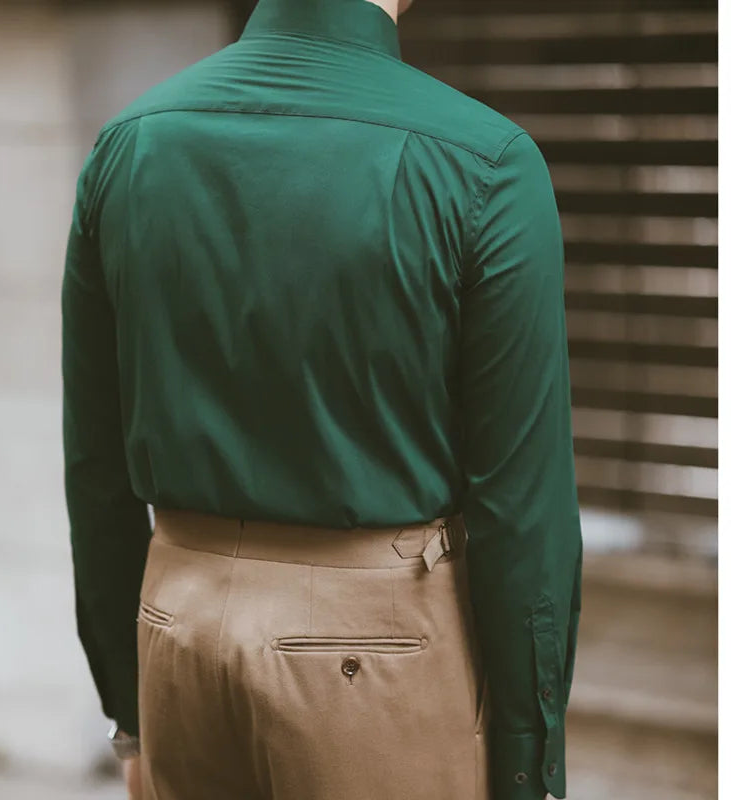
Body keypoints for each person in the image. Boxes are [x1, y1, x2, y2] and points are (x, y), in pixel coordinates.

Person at [60, 0, 584, 797]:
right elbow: (522, 506)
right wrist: (527, 766)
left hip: (177, 637)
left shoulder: (128, 146)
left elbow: (95, 466)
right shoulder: (485, 162)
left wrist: (130, 714)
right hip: (377, 666)